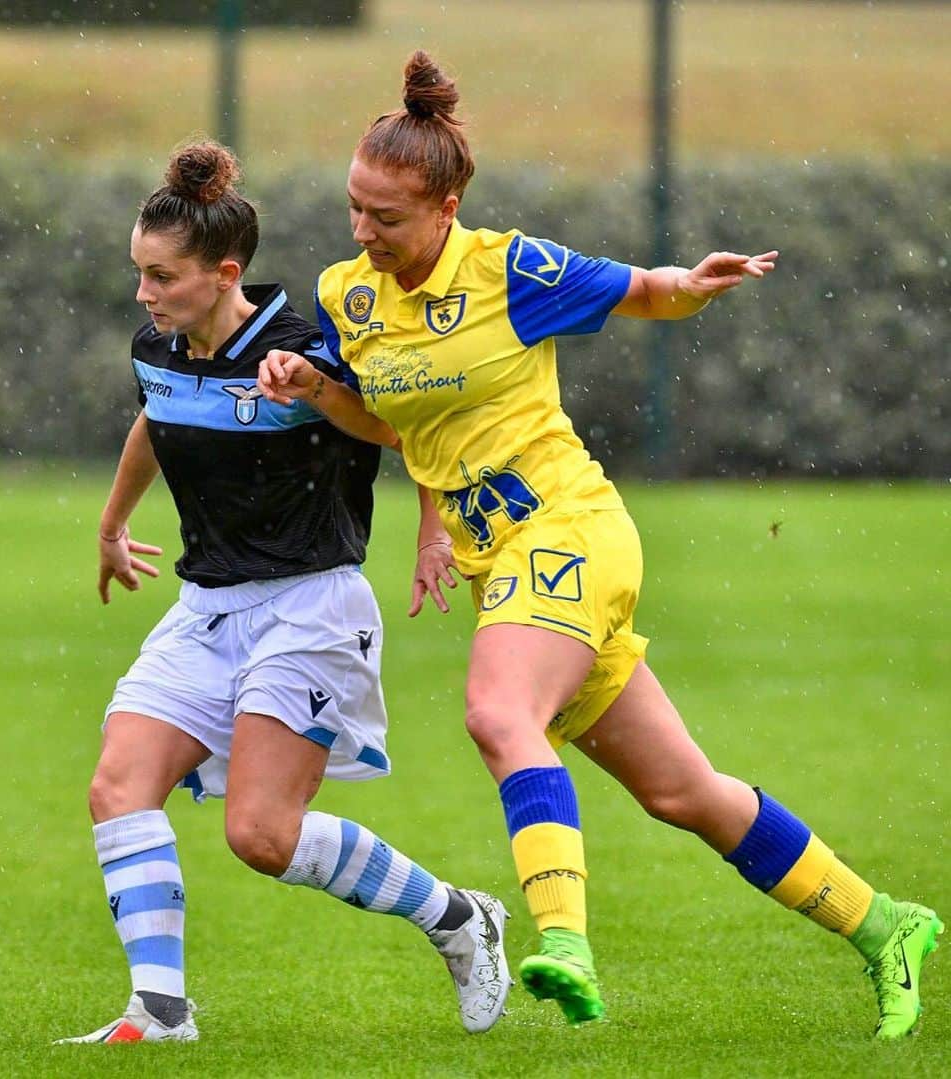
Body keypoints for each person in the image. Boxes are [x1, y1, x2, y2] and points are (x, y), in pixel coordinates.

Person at [257, 52, 943, 1039]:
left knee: (499, 711)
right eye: (354, 208)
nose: (363, 232)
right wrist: (316, 385)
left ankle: (566, 944)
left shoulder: (507, 269)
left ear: (446, 205)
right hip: (511, 563)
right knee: (684, 791)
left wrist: (694, 286)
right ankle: (887, 924)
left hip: (570, 530)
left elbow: (647, 291)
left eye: (386, 216)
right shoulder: (348, 296)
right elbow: (393, 424)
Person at [56, 140, 512, 1045]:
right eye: (139, 274)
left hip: (312, 606)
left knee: (261, 835)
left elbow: (402, 422)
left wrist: (433, 532)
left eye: (162, 276)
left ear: (225, 274)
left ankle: (461, 917)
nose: (145, 295)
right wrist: (112, 525)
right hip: (206, 607)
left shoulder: (305, 348)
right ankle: (160, 1009)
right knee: (118, 785)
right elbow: (156, 414)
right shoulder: (159, 346)